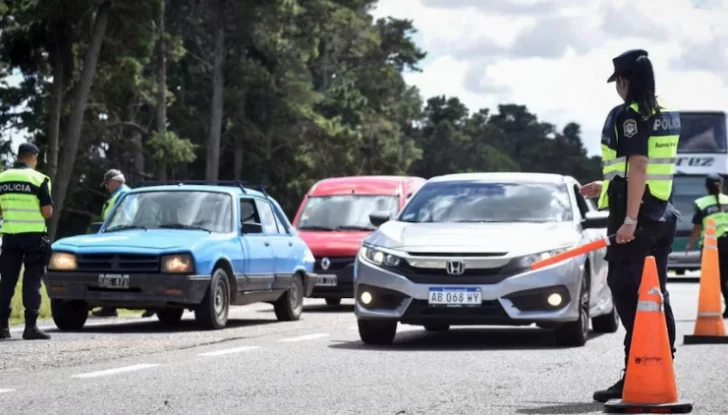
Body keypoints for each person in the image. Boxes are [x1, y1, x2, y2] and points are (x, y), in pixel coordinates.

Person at [578, 49, 680, 403]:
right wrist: (605, 187)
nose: (617, 90)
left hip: (638, 218)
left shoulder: (630, 115)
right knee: (653, 292)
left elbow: (638, 166)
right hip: (662, 213)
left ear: (625, 81)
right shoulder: (667, 111)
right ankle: (659, 359)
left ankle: (646, 361)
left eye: (618, 82)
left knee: (624, 287)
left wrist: (629, 221)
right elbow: (649, 169)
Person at [0, 143, 54, 340]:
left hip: (10, 235)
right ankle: (30, 327)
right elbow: (47, 212)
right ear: (32, 157)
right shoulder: (40, 179)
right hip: (33, 237)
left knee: (6, 281)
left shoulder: (2, 178)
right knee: (32, 280)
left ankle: (2, 327)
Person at [91, 170, 155, 319]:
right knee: (110, 275)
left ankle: (150, 305)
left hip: (120, 237)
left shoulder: (124, 195)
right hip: (113, 236)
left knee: (125, 273)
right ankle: (109, 306)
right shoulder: (121, 195)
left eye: (107, 183)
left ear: (114, 181)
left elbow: (125, 217)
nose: (107, 187)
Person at [684, 173, 728, 318]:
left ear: (706, 187)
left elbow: (697, 226)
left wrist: (690, 244)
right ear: (720, 185)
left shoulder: (701, 203)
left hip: (713, 248)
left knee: (718, 278)